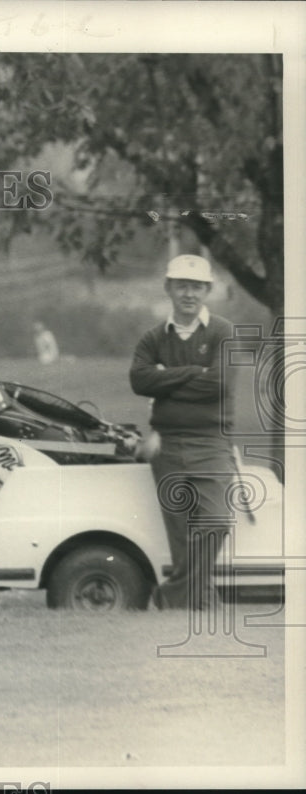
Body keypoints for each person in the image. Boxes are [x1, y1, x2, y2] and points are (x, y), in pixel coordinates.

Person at [129, 254, 236, 611]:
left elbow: (220, 384)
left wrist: (167, 379)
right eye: (181, 286)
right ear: (168, 288)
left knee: (217, 521)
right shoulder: (153, 337)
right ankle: (201, 599)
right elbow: (139, 380)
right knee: (181, 534)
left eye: (196, 286)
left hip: (212, 443)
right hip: (167, 446)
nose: (189, 294)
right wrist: (194, 371)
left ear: (207, 290)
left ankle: (171, 597)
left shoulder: (222, 331)